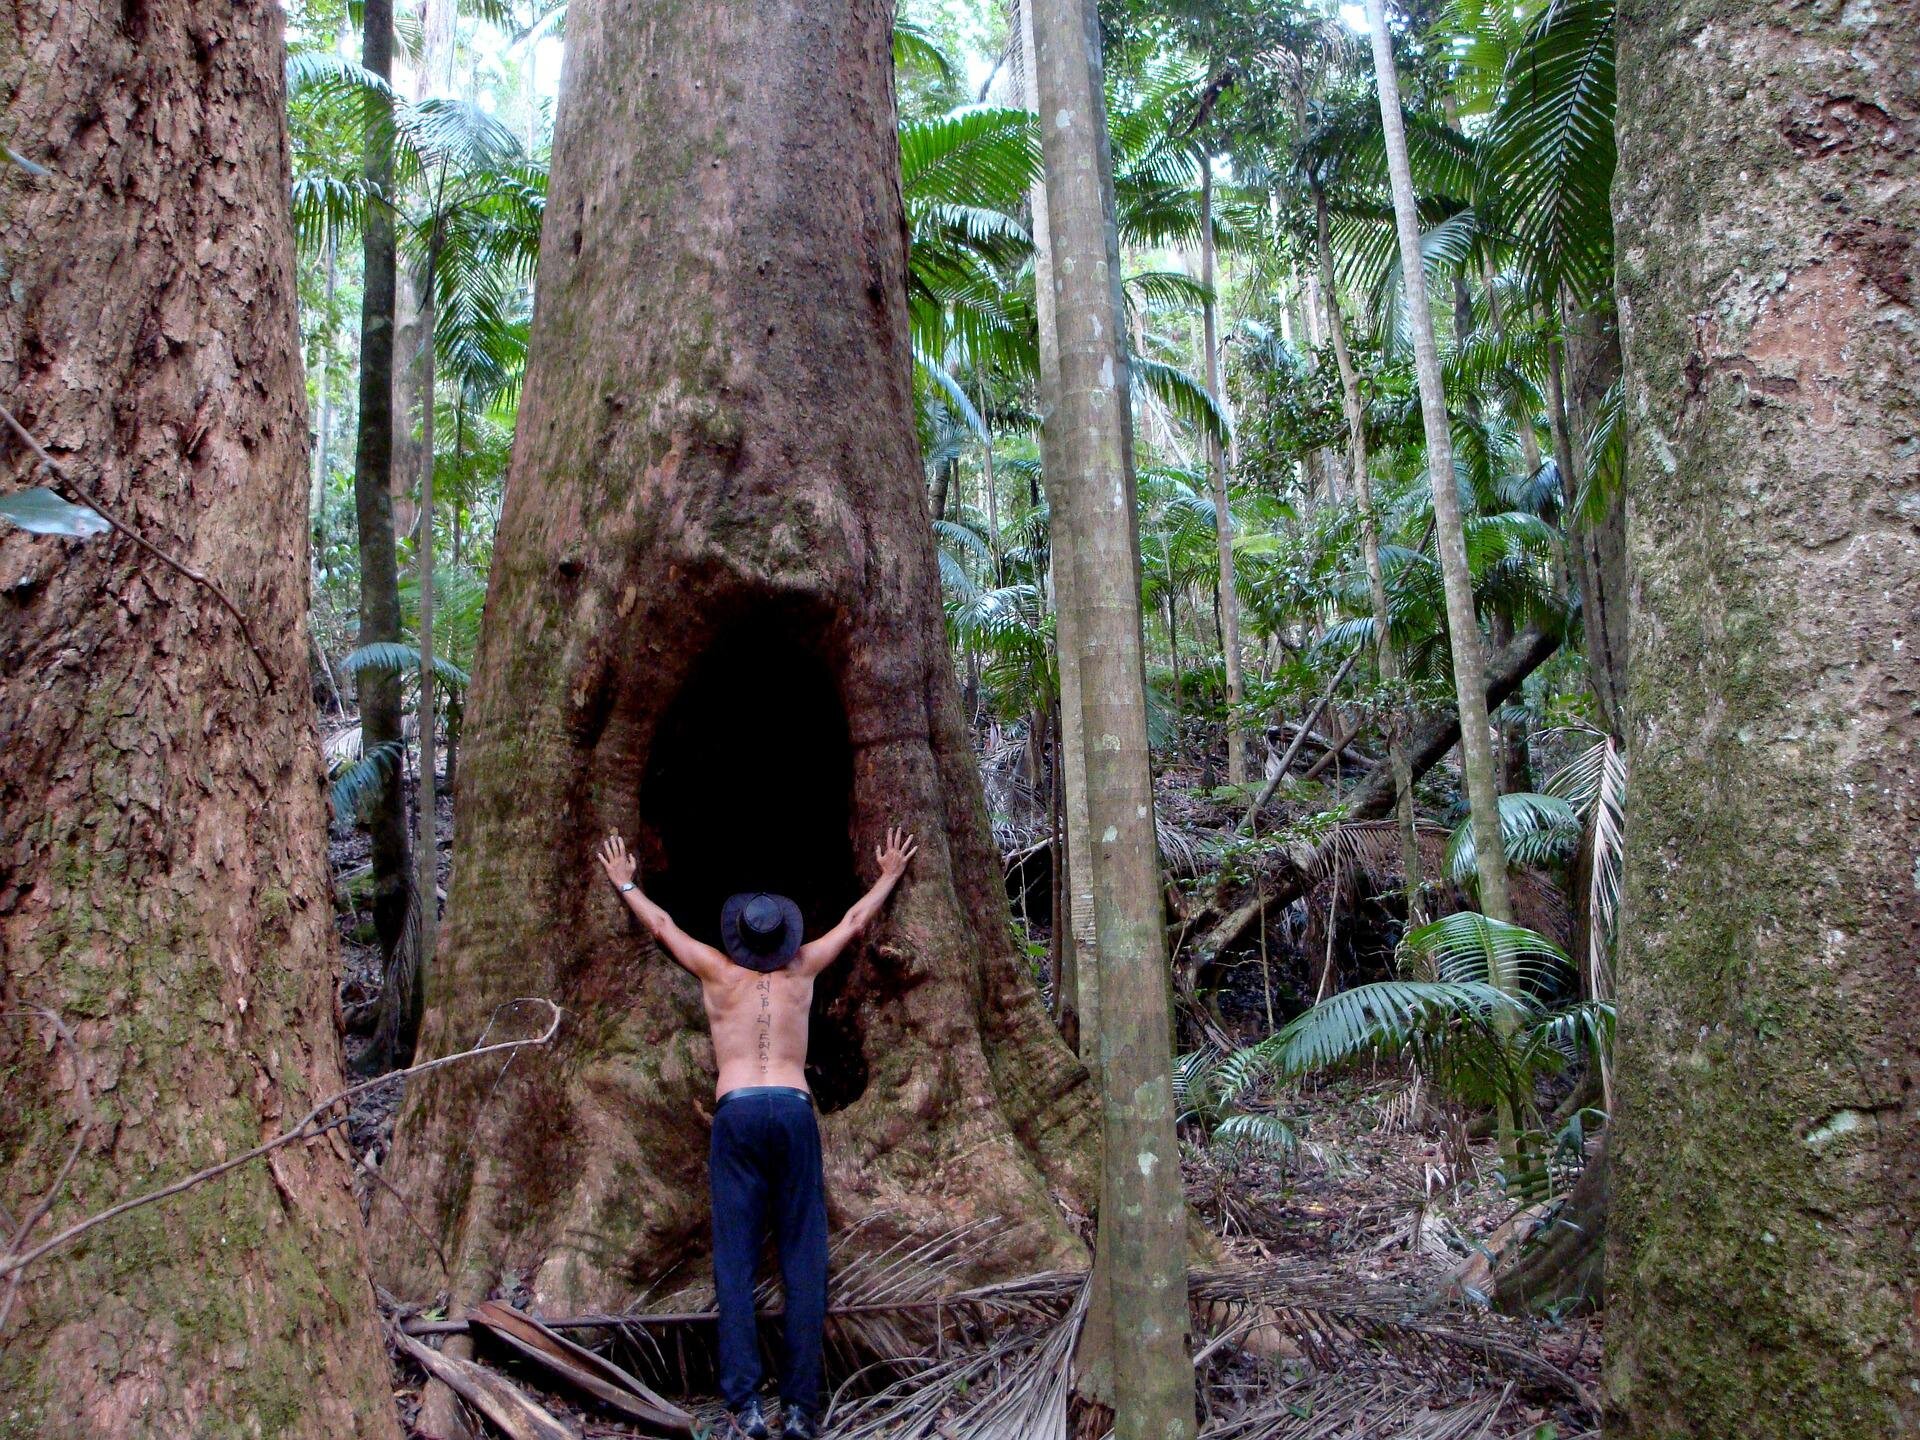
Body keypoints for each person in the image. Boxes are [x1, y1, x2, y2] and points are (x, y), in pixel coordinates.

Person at [596, 827, 919, 1440]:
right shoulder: (802, 970)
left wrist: (625, 882)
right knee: (803, 1259)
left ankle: (744, 1407)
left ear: (738, 936)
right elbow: (853, 924)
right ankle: (800, 1409)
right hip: (794, 1109)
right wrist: (889, 875)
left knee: (736, 1259)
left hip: (738, 1110)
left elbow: (663, 928)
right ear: (785, 938)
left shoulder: (716, 971)